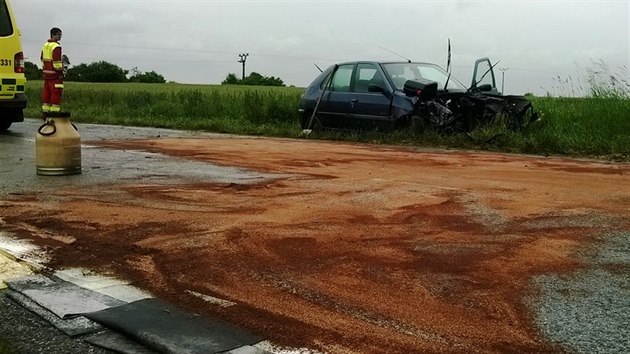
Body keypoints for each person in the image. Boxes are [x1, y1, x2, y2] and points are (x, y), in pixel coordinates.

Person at [40, 27, 64, 114]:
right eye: (59, 34)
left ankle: (45, 112)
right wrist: (60, 73)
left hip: (46, 73)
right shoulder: (56, 46)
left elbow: (42, 58)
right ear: (53, 35)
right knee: (56, 93)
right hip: (55, 74)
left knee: (46, 92)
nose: (60, 36)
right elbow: (57, 62)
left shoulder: (45, 45)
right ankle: (54, 113)